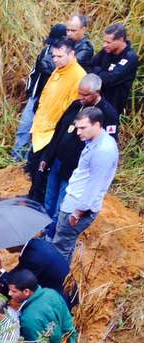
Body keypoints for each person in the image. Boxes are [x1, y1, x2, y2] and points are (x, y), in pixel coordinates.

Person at [36, 74, 119, 238]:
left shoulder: (107, 113)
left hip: (76, 168)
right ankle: (45, 231)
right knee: (49, 200)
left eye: (85, 95)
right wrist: (47, 157)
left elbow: (109, 143)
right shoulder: (75, 105)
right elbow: (59, 132)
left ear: (97, 92)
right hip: (58, 161)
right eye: (79, 93)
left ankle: (52, 237)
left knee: (62, 205)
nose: (81, 97)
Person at [53, 106, 119, 263]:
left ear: (97, 125)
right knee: (65, 245)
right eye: (77, 128)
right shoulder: (97, 141)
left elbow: (94, 186)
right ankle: (63, 276)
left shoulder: (103, 151)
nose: (78, 132)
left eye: (83, 128)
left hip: (77, 207)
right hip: (74, 201)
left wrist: (77, 213)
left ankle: (56, 281)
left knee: (60, 248)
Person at [28, 38, 86, 177]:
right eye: (53, 56)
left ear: (71, 54)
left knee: (41, 171)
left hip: (54, 133)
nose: (55, 59)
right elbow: (46, 95)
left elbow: (72, 111)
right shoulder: (58, 70)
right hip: (42, 126)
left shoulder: (79, 76)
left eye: (60, 56)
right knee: (32, 168)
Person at [11, 24, 68, 162]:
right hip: (36, 96)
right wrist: (31, 92)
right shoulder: (44, 52)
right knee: (24, 128)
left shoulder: (68, 57)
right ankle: (15, 161)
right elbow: (34, 73)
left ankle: (31, 163)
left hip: (52, 102)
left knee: (42, 133)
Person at [0, 237, 71, 305]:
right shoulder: (35, 243)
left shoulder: (33, 258)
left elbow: (15, 284)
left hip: (62, 300)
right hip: (63, 288)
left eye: (8, 243)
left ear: (17, 242)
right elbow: (18, 271)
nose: (5, 247)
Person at [90, 23, 140, 116]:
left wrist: (98, 71)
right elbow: (89, 67)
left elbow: (109, 79)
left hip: (112, 106)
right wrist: (102, 72)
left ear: (121, 39)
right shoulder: (106, 51)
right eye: (104, 41)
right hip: (96, 100)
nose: (104, 45)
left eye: (108, 42)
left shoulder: (130, 57)